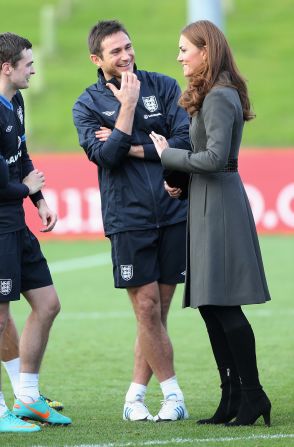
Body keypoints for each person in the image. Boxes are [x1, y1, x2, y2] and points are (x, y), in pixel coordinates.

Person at [150, 20, 271, 427]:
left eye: (185, 48)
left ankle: (252, 396)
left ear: (206, 51)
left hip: (219, 206)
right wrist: (183, 183)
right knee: (210, 307)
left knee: (223, 305)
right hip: (206, 200)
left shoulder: (220, 96)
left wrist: (169, 156)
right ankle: (233, 397)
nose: (180, 56)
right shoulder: (213, 93)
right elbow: (207, 157)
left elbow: (217, 159)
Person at [73, 20, 191, 422]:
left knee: (157, 313)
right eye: (115, 52)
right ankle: (173, 394)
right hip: (128, 218)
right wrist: (126, 108)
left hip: (174, 211)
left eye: (128, 47)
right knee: (146, 307)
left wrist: (130, 146)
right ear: (97, 60)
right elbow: (105, 158)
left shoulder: (164, 86)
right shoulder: (87, 104)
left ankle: (134, 397)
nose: (126, 56)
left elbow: (184, 141)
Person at [0, 32, 71, 432]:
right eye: (27, 62)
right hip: (0, 227)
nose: (33, 68)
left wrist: (38, 199)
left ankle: (28, 398)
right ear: (6, 67)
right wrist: (23, 190)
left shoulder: (17, 102)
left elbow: (21, 156)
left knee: (47, 304)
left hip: (17, 223)